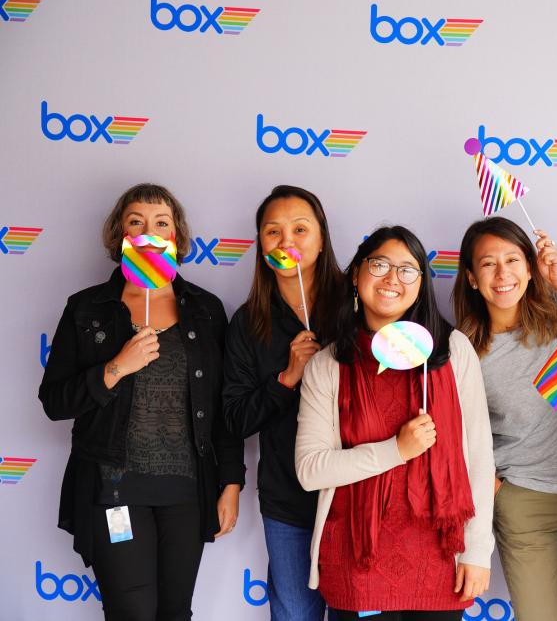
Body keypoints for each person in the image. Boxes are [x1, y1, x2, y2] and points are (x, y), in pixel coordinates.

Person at [38, 183, 244, 620]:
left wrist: (231, 483)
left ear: (176, 236)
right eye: (137, 222)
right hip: (114, 489)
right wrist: (116, 367)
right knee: (130, 612)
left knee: (175, 613)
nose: (149, 231)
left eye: (161, 223)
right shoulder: (87, 308)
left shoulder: (206, 310)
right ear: (121, 235)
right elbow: (55, 401)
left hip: (187, 492)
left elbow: (222, 410)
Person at [295, 226, 495, 621]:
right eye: (380, 265)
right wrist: (396, 451)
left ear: (420, 284)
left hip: (441, 557)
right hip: (357, 558)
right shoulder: (328, 364)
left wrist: (476, 551)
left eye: (407, 270)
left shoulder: (453, 350)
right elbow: (310, 470)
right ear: (357, 273)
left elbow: (477, 456)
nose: (392, 279)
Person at [452, 217, 557, 621]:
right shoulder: (465, 349)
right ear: (472, 278)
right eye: (488, 263)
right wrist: (496, 488)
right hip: (523, 502)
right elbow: (460, 431)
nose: (503, 274)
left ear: (530, 269)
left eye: (513, 260)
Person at [222, 185, 342, 620]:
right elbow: (234, 419)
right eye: (273, 231)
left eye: (300, 229)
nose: (286, 240)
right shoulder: (248, 322)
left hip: (356, 495)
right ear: (261, 245)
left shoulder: (358, 304)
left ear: (322, 238)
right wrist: (287, 378)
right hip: (288, 498)